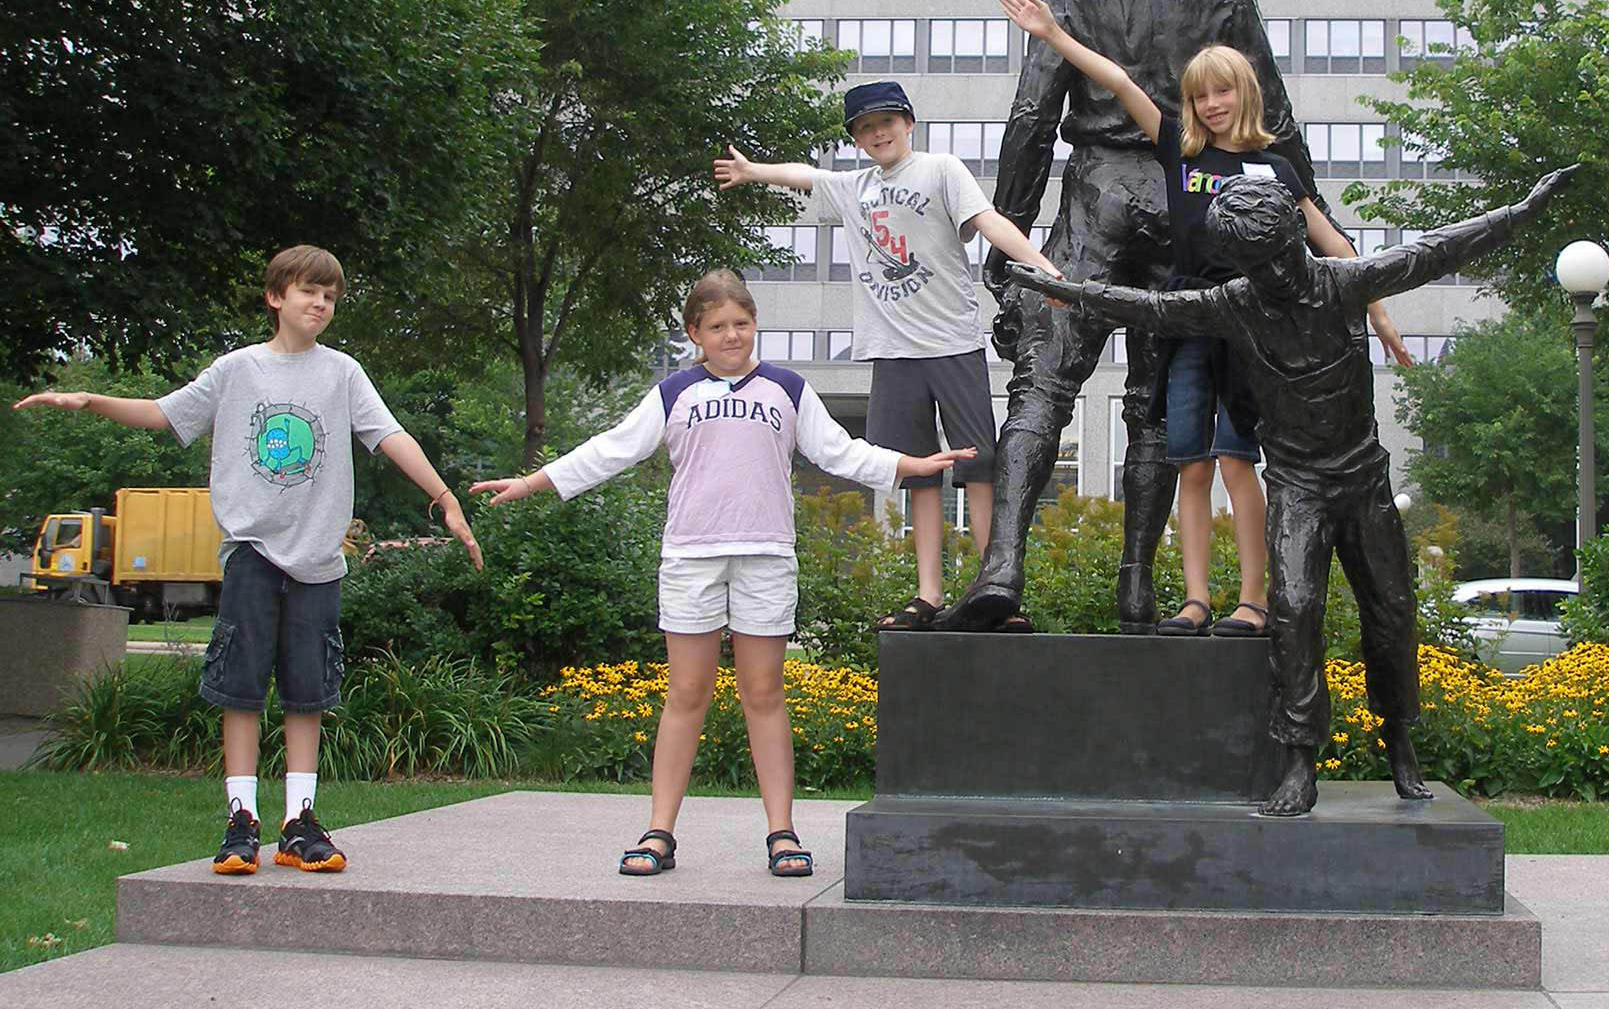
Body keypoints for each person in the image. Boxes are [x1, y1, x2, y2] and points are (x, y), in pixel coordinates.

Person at [1006, 166, 1577, 815]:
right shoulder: (1238, 302)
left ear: (1292, 245)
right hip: (1299, 487)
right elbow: (1154, 308)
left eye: (1271, 262)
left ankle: (1400, 744)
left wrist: (1526, 208)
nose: (1265, 278)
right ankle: (1299, 759)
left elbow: (1440, 248)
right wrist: (1064, 288)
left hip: (1363, 480)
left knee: (1390, 615)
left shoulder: (1347, 282)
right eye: (1248, 265)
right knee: (1296, 610)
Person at [942, 0, 1345, 633]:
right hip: (1193, 198)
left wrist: (1007, 233)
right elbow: (1276, 116)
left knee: (1044, 382)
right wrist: (1313, 226)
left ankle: (1004, 568)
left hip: (1097, 190)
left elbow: (1032, 115)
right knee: (1156, 402)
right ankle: (1139, 587)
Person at [472, 270, 971, 877]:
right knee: (686, 695)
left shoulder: (788, 388)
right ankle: (658, 832)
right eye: (717, 327)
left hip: (766, 557)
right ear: (695, 334)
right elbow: (611, 449)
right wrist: (532, 481)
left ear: (755, 324)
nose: (732, 336)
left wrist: (910, 464)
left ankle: (782, 834)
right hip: (690, 559)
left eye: (741, 323)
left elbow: (840, 451)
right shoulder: (673, 393)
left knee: (764, 694)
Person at [14, 245, 485, 875]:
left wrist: (445, 497)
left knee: (306, 691)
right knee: (241, 689)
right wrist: (89, 400)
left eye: (330, 296)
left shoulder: (343, 373)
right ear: (276, 297)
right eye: (308, 291)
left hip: (317, 559)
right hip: (252, 552)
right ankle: (241, 821)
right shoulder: (236, 370)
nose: (320, 303)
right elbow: (163, 414)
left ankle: (300, 823)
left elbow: (391, 435)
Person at [996, 0, 1411, 638]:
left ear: (1244, 95)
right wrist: (1051, 33)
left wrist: (1378, 315)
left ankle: (1253, 600)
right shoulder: (1180, 153)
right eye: (1199, 97)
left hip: (1254, 331)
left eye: (1222, 93)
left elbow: (1334, 245)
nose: (1211, 106)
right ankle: (1194, 601)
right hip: (1192, 325)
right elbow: (1117, 81)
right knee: (1188, 463)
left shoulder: (1275, 170)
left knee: (1237, 462)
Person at [714, 81, 1061, 633]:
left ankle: (991, 588)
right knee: (914, 474)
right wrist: (755, 171)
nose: (878, 133)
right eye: (865, 128)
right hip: (893, 354)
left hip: (952, 345)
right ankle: (927, 594)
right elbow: (806, 175)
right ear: (856, 138)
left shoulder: (941, 170)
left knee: (977, 469)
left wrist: (1041, 266)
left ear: (908, 123)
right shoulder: (854, 187)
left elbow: (990, 222)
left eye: (887, 122)